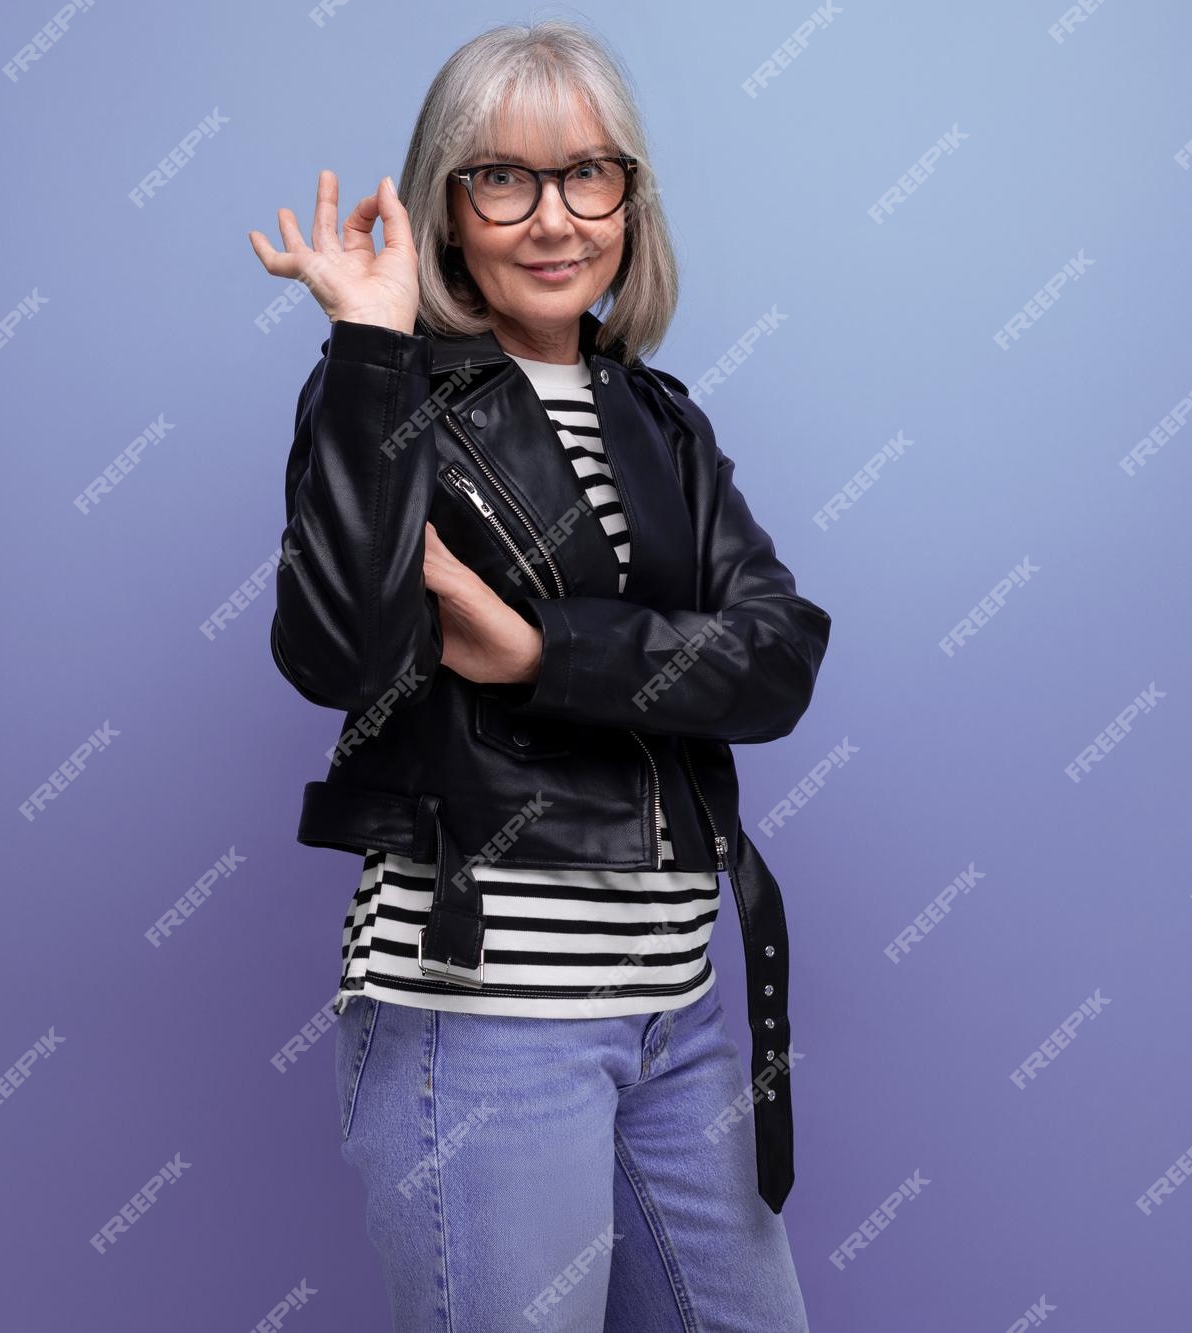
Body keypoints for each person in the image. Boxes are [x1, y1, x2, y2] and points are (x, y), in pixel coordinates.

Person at [247, 19, 829, 1331]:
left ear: (630, 197)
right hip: (484, 1015)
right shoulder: (400, 396)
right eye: (502, 177)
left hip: (676, 1017)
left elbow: (779, 654)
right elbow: (334, 650)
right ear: (450, 205)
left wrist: (534, 650)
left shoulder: (661, 420)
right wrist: (368, 349)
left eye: (589, 174)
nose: (553, 216)